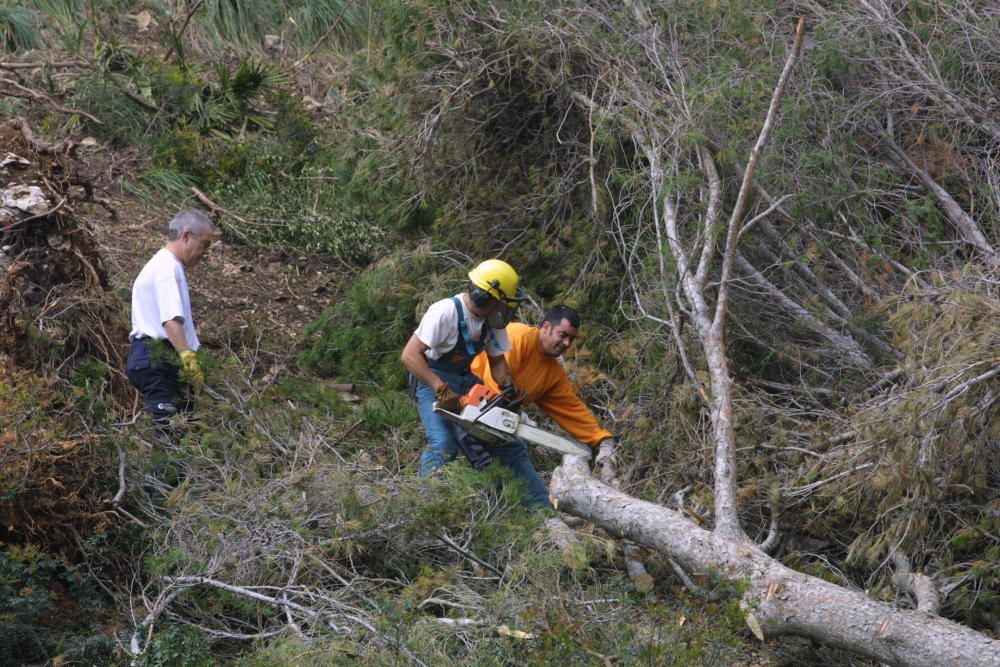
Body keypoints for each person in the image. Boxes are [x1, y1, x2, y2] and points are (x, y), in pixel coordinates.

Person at [401, 259, 552, 508]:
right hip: (430, 378)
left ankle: (540, 509)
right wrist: (440, 387)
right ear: (487, 297)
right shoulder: (445, 312)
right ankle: (421, 507)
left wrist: (506, 382)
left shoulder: (491, 321)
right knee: (443, 443)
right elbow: (409, 355)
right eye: (503, 302)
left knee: (506, 441)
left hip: (464, 380)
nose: (505, 308)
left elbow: (497, 359)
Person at [469, 305, 616, 475]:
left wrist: (602, 440)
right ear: (546, 327)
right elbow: (493, 378)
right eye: (563, 335)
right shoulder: (519, 337)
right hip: (464, 395)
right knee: (443, 446)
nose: (566, 343)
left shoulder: (552, 373)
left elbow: (570, 409)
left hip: (491, 419)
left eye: (571, 339)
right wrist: (512, 411)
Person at [125, 209, 215, 436]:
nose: (205, 252)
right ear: (186, 236)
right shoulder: (167, 267)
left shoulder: (164, 265)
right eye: (205, 244)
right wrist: (187, 357)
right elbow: (171, 320)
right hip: (158, 359)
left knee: (182, 435)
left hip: (157, 360)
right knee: (170, 439)